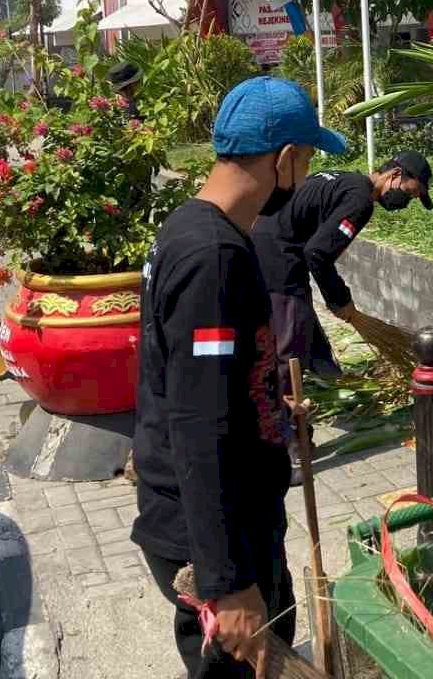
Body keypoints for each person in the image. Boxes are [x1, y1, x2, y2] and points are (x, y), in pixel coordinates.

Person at [131, 75, 346, 678]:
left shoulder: (192, 228)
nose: (304, 178)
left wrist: (272, 415)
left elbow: (205, 385)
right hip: (216, 541)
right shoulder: (213, 257)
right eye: (304, 161)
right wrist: (228, 585)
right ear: (283, 160)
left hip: (223, 522)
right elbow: (199, 428)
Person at [251, 151, 433, 459]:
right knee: (287, 359)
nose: (407, 202)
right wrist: (341, 302)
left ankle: (297, 417)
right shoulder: (360, 200)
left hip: (261, 250)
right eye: (411, 193)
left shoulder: (342, 179)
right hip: (278, 265)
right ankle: (288, 451)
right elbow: (318, 254)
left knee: (294, 336)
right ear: (395, 176)